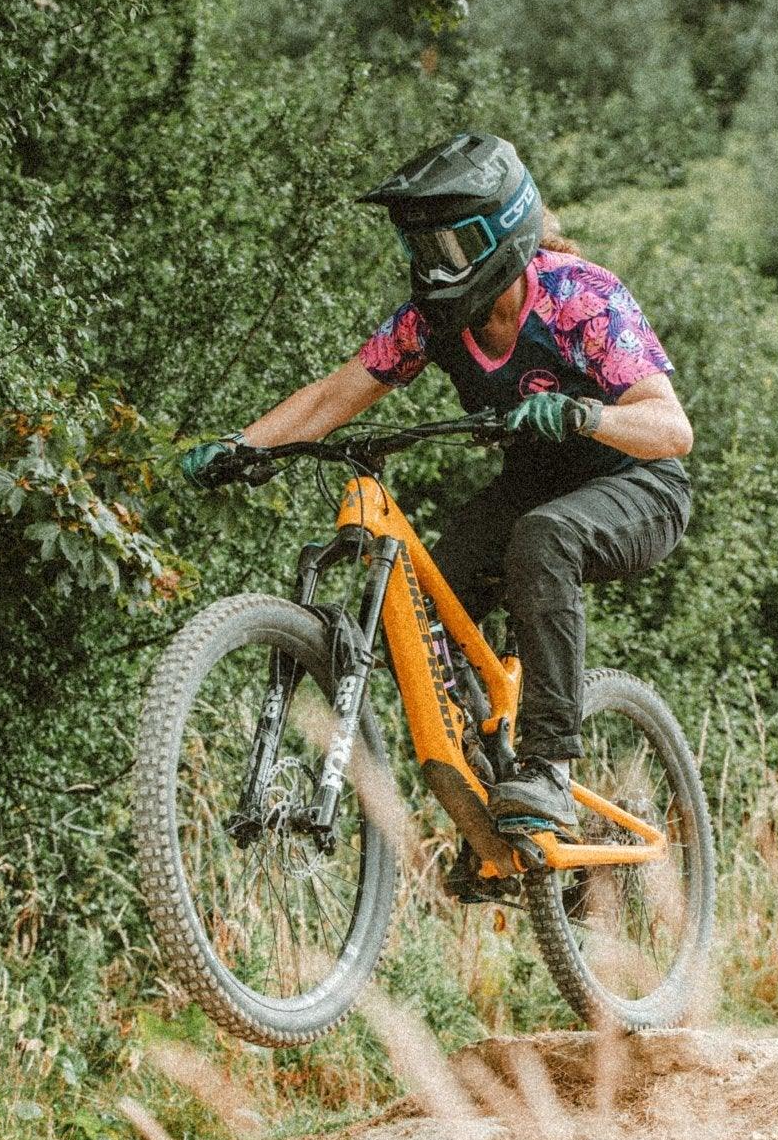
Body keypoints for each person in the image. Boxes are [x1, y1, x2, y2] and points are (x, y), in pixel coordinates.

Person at [181, 132, 694, 832]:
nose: (431, 267)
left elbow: (671, 429)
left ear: (503, 235)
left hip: (638, 483)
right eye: (421, 250)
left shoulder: (581, 298)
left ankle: (550, 766)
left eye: (448, 249)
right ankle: (493, 773)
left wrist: (583, 412)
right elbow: (336, 395)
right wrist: (242, 447)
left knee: (544, 538)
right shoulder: (433, 322)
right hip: (534, 485)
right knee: (412, 615)